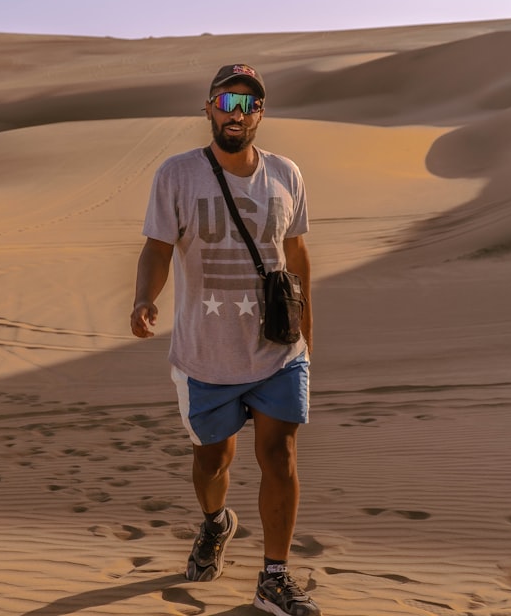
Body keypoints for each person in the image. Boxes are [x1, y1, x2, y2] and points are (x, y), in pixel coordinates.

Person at [130, 64, 319, 616]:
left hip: (277, 350)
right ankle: (216, 522)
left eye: (249, 104)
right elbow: (157, 249)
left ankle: (274, 578)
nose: (237, 114)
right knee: (212, 463)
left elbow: (299, 254)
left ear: (261, 113)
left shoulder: (287, 174)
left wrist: (308, 337)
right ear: (209, 108)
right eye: (226, 102)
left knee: (280, 456)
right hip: (205, 355)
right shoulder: (178, 174)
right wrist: (145, 299)